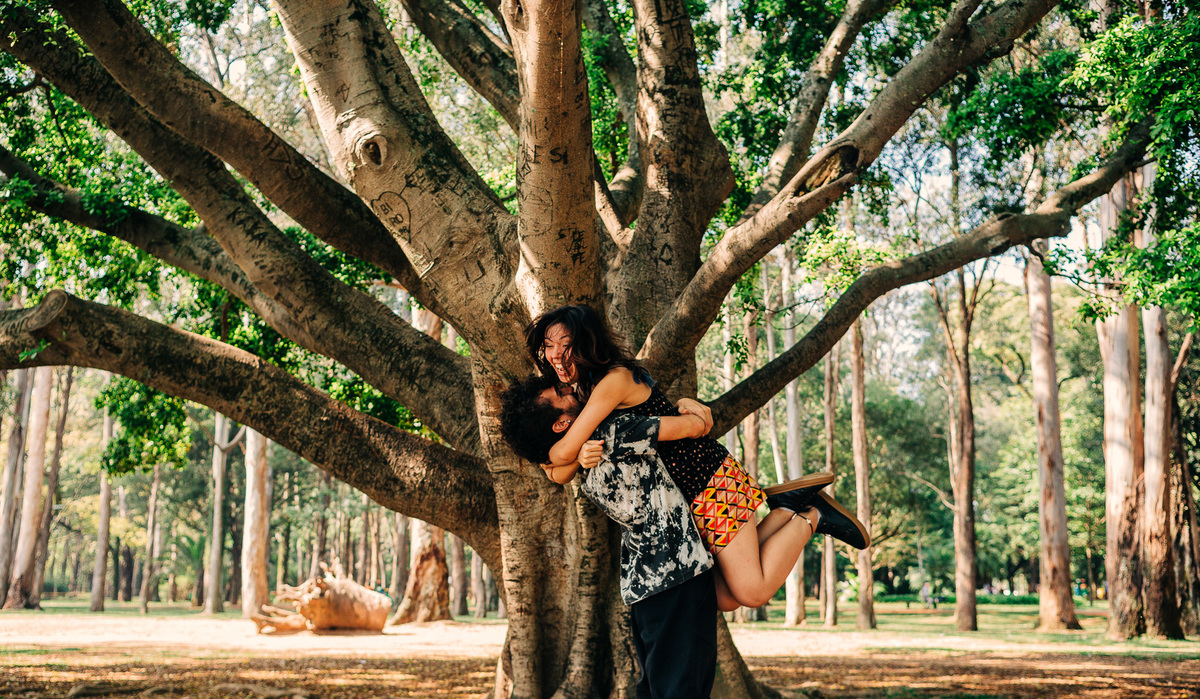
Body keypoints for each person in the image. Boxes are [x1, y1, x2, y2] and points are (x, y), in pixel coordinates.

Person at [518, 305, 870, 612]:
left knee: (753, 591)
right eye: (549, 345)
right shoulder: (580, 391)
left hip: (707, 479)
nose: (556, 355)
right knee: (722, 597)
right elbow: (557, 472)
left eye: (566, 344)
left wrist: (573, 452)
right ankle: (785, 508)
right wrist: (576, 455)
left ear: (588, 343)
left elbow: (560, 454)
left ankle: (812, 515)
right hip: (682, 502)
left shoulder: (612, 381)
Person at [501, 372, 720, 698]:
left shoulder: (586, 462)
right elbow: (693, 427)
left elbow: (553, 467)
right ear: (562, 424)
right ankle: (797, 512)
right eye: (562, 392)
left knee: (655, 688)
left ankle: (794, 510)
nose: (571, 387)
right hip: (678, 574)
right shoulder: (612, 434)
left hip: (642, 585)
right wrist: (692, 408)